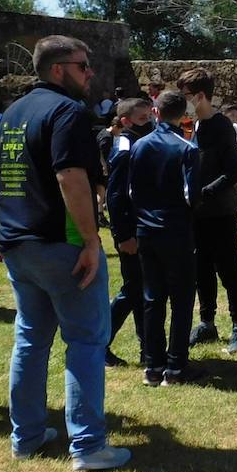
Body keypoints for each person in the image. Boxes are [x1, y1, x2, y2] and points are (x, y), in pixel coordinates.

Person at [0, 35, 131, 472]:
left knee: (30, 338)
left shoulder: (14, 112)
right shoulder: (68, 111)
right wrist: (91, 241)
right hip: (62, 244)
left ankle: (27, 435)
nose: (90, 72)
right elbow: (69, 175)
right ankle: (89, 447)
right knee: (87, 341)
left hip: (18, 242)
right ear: (58, 70)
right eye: (83, 65)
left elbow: (7, 175)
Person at [114, 91, 204, 386]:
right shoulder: (186, 148)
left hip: (146, 230)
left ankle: (153, 366)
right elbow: (192, 195)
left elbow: (129, 191)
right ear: (183, 115)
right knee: (181, 299)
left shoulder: (138, 146)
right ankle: (176, 366)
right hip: (175, 230)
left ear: (155, 111)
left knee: (152, 297)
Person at [176, 68, 237, 354]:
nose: (184, 102)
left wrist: (204, 191)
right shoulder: (192, 126)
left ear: (201, 96)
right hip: (196, 214)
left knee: (229, 269)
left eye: (186, 96)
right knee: (201, 269)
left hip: (220, 212)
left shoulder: (221, 127)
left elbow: (235, 172)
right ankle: (207, 322)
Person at [102, 98, 153, 367]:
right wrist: (124, 235)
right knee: (133, 288)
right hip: (129, 230)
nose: (149, 123)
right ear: (125, 121)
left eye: (150, 117)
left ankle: (148, 349)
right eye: (143, 119)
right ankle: (100, 344)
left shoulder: (137, 143)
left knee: (140, 288)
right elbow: (116, 195)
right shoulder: (124, 148)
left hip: (139, 227)